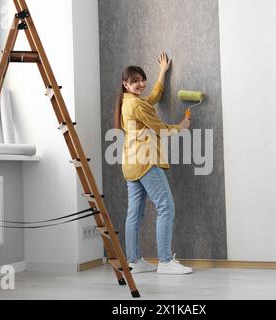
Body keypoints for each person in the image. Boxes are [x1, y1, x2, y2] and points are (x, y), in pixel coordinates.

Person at [114, 52, 193, 275]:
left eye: (141, 80)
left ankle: (133, 261)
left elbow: (151, 100)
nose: (140, 84)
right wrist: (181, 126)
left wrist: (162, 72)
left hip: (130, 164)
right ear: (125, 84)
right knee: (165, 206)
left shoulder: (127, 102)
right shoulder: (136, 105)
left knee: (135, 214)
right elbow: (159, 128)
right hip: (145, 161)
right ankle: (166, 262)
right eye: (135, 81)